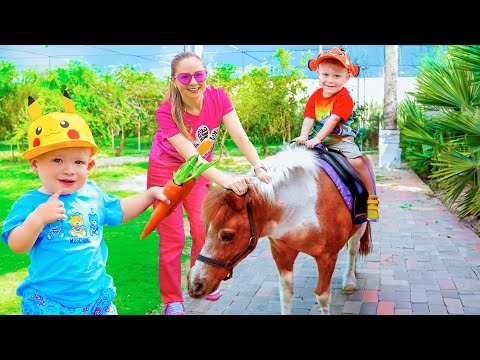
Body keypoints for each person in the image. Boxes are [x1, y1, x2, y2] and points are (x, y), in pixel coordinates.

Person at [1, 91, 170, 315]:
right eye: (57, 160)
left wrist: (149, 195)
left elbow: (119, 210)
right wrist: (37, 219)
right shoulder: (31, 203)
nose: (69, 169)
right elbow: (17, 245)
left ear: (89, 166)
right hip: (50, 302)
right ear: (35, 164)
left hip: (95, 298)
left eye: (78, 161)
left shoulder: (93, 194)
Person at [147, 51, 272, 315]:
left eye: (199, 74)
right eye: (185, 76)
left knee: (203, 230)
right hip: (166, 171)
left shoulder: (218, 97)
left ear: (206, 75)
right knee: (173, 238)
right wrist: (226, 181)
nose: (193, 81)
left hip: (200, 170)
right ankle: (172, 299)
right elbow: (193, 158)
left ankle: (200, 281)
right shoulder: (165, 112)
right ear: (174, 81)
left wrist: (258, 165)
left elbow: (238, 134)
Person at [295, 47, 379, 222]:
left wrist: (317, 139)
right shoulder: (315, 96)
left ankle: (371, 198)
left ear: (347, 77)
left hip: (340, 140)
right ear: (318, 73)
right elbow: (309, 117)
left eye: (336, 76)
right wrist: (304, 135)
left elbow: (333, 120)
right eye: (325, 75)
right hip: (316, 139)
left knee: (358, 161)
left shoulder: (344, 98)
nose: (330, 81)